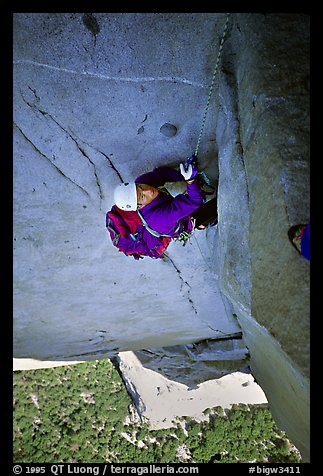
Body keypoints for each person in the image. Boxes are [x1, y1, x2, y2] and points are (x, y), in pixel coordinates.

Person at [106, 156, 218, 259]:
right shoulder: (159, 219)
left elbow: (160, 175)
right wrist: (191, 181)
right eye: (142, 196)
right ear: (139, 207)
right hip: (174, 224)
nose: (148, 191)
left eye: (140, 187)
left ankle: (197, 190)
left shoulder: (142, 182)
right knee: (211, 210)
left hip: (164, 211)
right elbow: (194, 201)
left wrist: (183, 175)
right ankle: (203, 223)